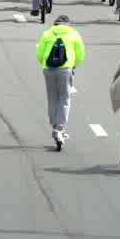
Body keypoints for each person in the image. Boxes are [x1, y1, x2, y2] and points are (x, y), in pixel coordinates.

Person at [35, 15, 85, 145]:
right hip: (65, 69)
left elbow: (39, 53)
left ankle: (54, 125)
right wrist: (74, 64)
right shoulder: (74, 34)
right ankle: (60, 128)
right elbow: (80, 53)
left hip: (49, 69)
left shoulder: (47, 34)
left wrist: (45, 64)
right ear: (68, 24)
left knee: (52, 98)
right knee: (64, 99)